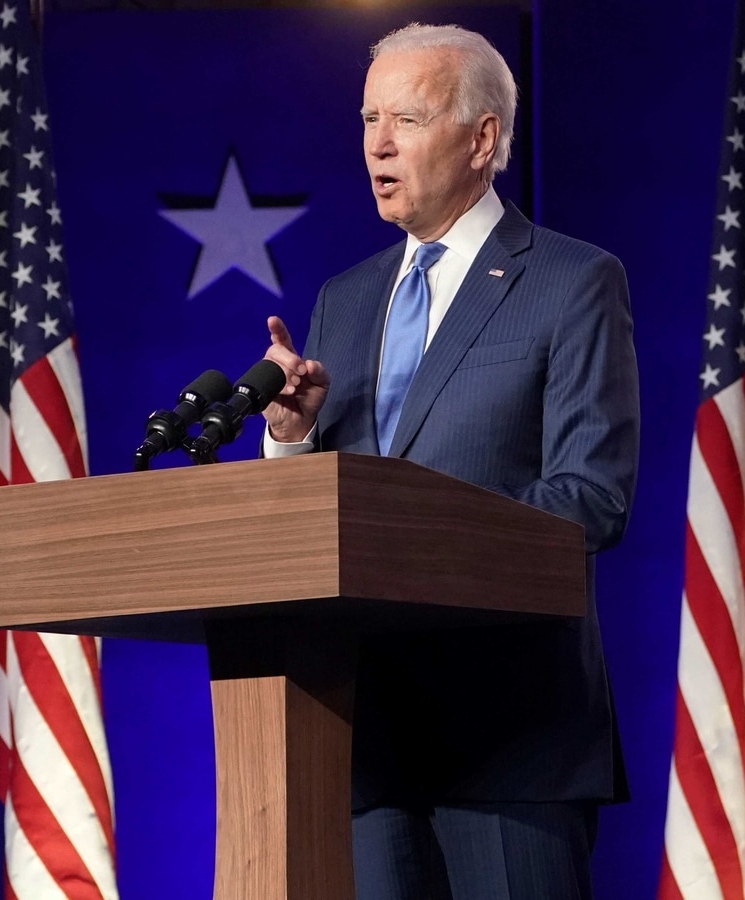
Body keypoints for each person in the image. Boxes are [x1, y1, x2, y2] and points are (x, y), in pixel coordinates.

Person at [259, 23, 640, 900]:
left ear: (483, 139)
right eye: (367, 118)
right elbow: (313, 524)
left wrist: (421, 532)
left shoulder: (572, 281)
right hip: (363, 735)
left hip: (509, 737)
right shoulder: (343, 300)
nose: (378, 143)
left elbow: (592, 498)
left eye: (407, 117)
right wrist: (290, 438)